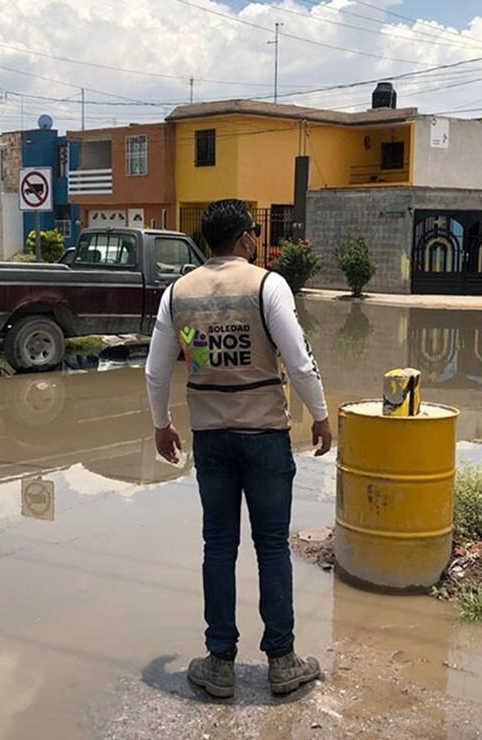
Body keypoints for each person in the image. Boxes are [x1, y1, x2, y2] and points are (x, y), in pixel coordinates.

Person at [145, 199, 332, 699]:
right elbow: (299, 361)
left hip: (211, 440)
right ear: (246, 237)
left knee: (219, 546)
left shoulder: (177, 294)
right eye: (254, 234)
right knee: (271, 547)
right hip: (265, 437)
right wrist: (320, 414)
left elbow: (157, 371)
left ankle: (219, 663)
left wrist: (162, 425)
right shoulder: (268, 285)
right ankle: (283, 661)